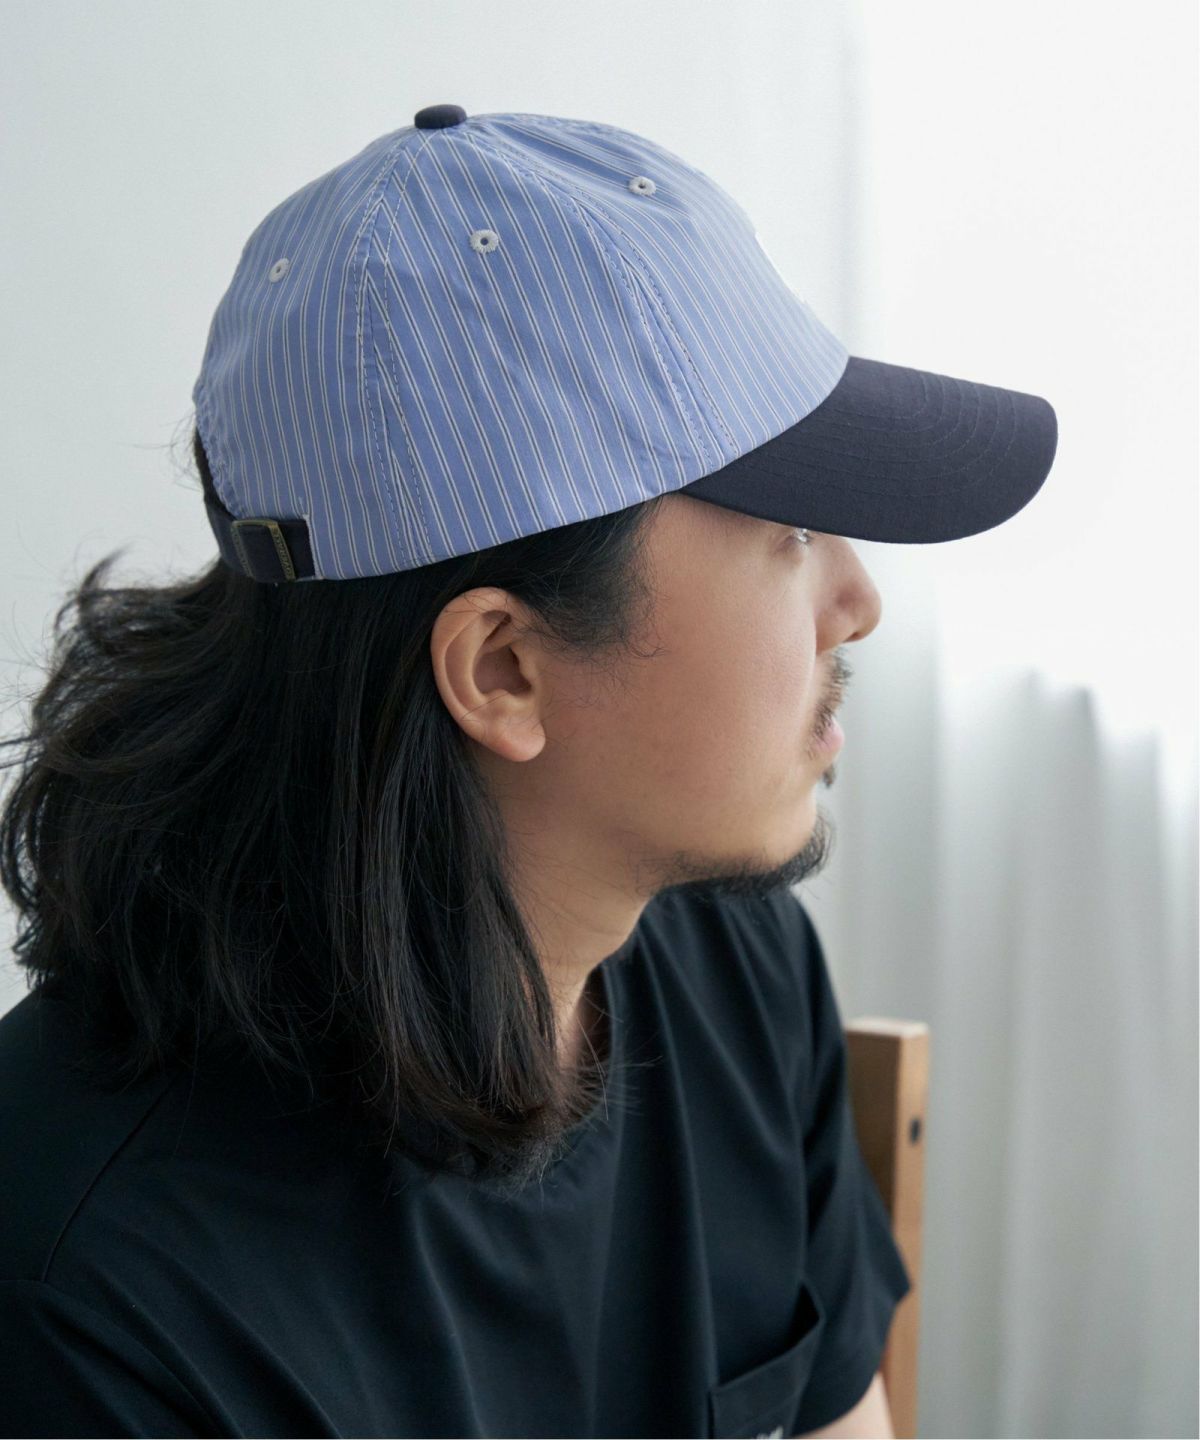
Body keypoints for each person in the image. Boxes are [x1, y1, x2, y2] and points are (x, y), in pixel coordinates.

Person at [0, 106, 1056, 1438]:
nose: (859, 601)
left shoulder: (735, 965)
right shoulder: (96, 1307)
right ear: (503, 667)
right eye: (789, 530)